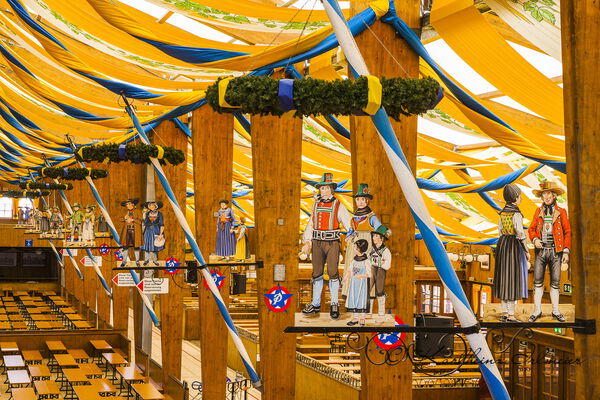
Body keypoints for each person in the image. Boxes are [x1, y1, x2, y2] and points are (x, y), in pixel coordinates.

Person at [301, 173, 352, 320]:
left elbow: (348, 224)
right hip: (317, 242)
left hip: (332, 243)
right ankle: (315, 303)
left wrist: (350, 236)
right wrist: (307, 241)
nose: (324, 191)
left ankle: (334, 304)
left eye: (327, 188)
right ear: (320, 190)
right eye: (322, 188)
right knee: (317, 273)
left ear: (332, 189)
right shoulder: (315, 205)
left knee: (333, 272)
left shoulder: (338, 205)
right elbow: (311, 223)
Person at [528, 181, 571, 322]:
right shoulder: (537, 211)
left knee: (555, 282)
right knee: (538, 281)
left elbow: (567, 231)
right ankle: (537, 311)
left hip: (555, 251)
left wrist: (565, 251)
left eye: (549, 193)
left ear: (554, 195)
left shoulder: (562, 212)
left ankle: (555, 311)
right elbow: (531, 229)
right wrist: (535, 240)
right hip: (541, 251)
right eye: (544, 194)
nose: (546, 196)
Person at [342, 184, 389, 302]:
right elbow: (351, 229)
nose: (360, 202)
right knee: (352, 266)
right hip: (354, 243)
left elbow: (379, 227)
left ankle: (368, 292)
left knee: (367, 266)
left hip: (367, 241)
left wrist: (386, 232)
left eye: (362, 199)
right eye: (358, 199)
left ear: (367, 201)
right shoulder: (354, 216)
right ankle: (349, 291)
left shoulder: (371, 216)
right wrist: (348, 237)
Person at [492, 185, 529, 322]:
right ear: (515, 198)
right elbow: (520, 233)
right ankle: (511, 314)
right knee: (513, 278)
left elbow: (500, 230)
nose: (521, 198)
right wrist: (526, 250)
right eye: (519, 196)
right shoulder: (516, 214)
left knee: (503, 278)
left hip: (503, 244)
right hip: (513, 245)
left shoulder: (502, 213)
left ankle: (504, 312)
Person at [345, 239, 371, 326]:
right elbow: (349, 270)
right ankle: (355, 317)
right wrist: (346, 277)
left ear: (360, 249)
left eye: (356, 247)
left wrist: (360, 276)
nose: (354, 249)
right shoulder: (354, 260)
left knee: (361, 300)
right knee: (354, 299)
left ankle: (362, 318)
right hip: (353, 283)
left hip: (362, 284)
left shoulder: (366, 261)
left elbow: (369, 274)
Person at [369, 225, 392, 323]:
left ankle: (381, 314)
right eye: (373, 236)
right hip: (372, 269)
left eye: (376, 236)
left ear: (381, 238)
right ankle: (368, 312)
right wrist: (378, 262)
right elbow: (368, 259)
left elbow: (387, 264)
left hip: (381, 270)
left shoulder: (385, 251)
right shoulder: (371, 248)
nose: (374, 238)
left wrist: (380, 263)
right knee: (368, 289)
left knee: (379, 291)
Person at [141, 200, 165, 266]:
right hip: (148, 231)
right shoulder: (146, 214)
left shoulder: (160, 214)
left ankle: (155, 260)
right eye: (150, 205)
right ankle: (146, 260)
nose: (151, 207)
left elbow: (162, 225)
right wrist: (142, 232)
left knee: (154, 246)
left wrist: (160, 234)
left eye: (153, 205)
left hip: (156, 230)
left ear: (155, 206)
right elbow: (145, 224)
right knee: (147, 245)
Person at [120, 198, 142, 267]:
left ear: (133, 204)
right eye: (127, 204)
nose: (128, 205)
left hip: (135, 231)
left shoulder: (138, 211)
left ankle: (137, 261)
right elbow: (120, 219)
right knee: (125, 246)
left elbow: (140, 221)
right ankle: (124, 261)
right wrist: (125, 218)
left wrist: (133, 219)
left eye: (129, 204)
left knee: (136, 246)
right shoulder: (125, 212)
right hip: (127, 231)